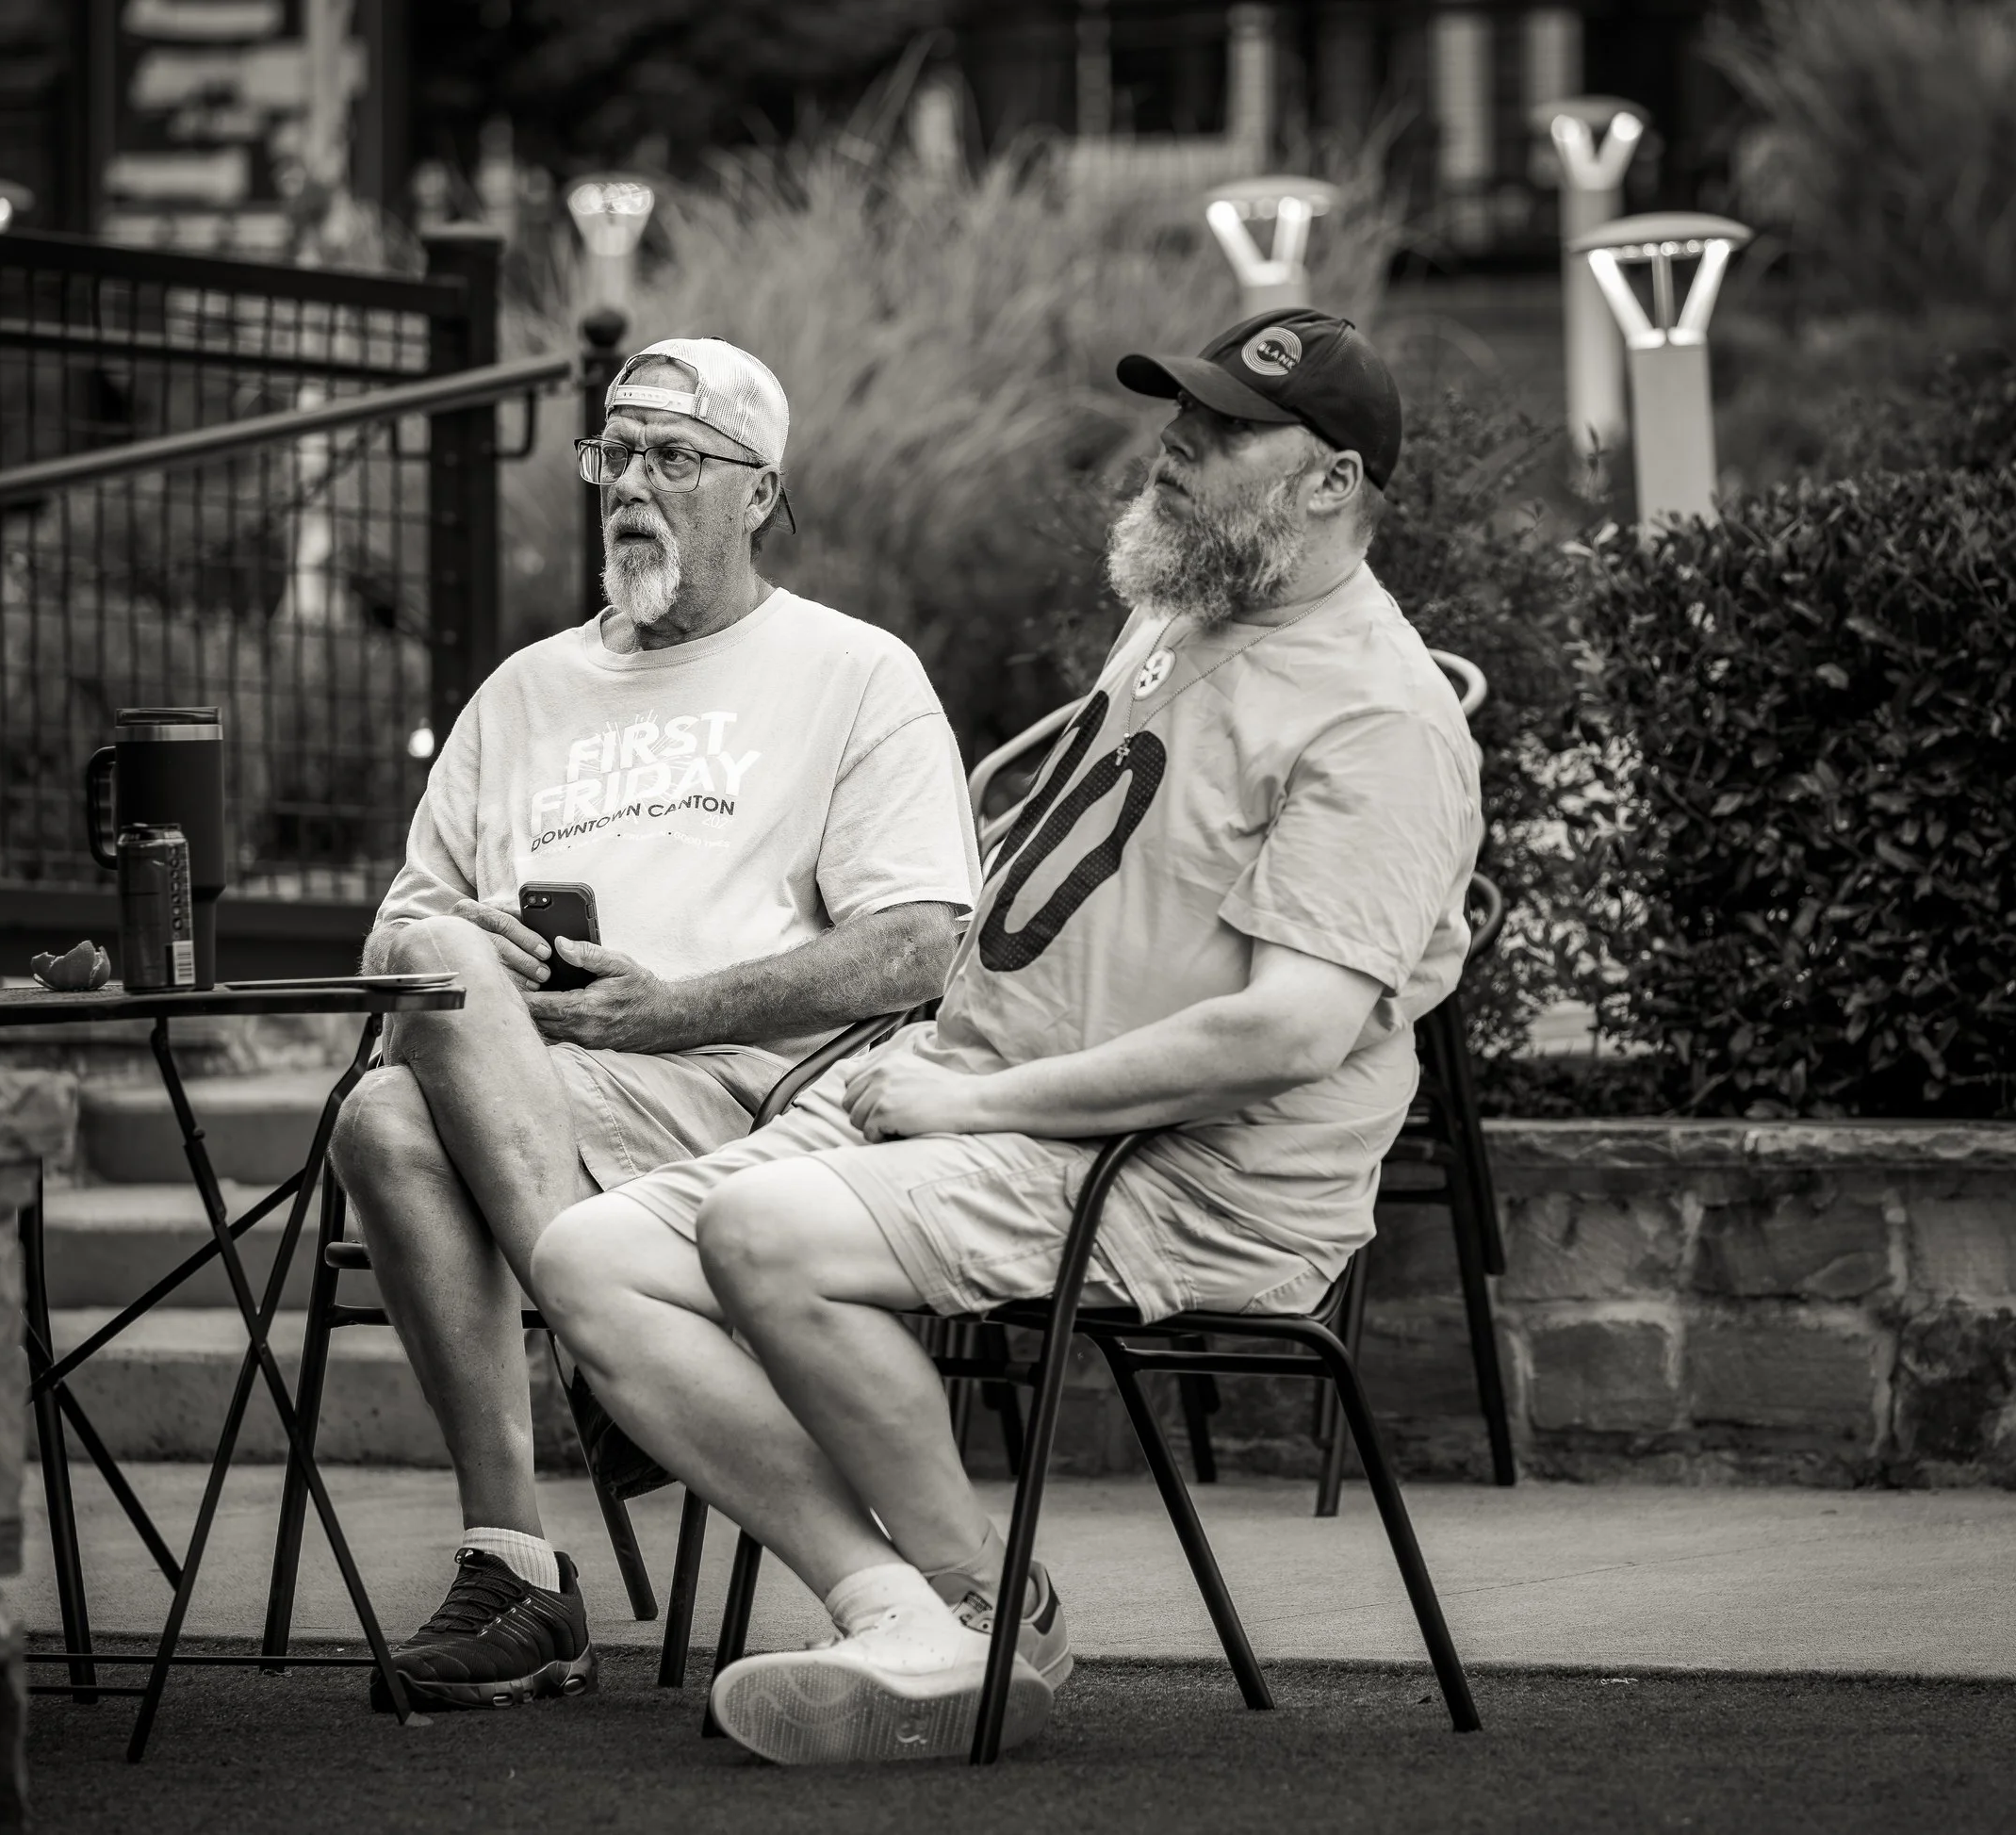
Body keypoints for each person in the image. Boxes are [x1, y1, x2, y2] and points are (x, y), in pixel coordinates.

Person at [533, 306, 1486, 1763]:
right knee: (585, 1258)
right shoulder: (1185, 611)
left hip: (1173, 1174)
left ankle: (983, 1605)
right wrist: (939, 1072)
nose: (1178, 449)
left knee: (767, 1236)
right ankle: (905, 1608)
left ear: (1332, 484)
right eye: (1182, 417)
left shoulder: (1381, 717)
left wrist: (982, 1104)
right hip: (982, 1102)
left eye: (1226, 435)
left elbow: (1289, 1035)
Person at [331, 336, 978, 1711]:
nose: (632, 484)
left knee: (398, 1103)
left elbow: (922, 939)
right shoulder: (523, 692)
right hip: (530, 1089)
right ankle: (530, 1532)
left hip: (742, 1098)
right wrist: (475, 950)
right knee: (399, 1068)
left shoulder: (852, 672)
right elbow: (398, 930)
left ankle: (548, 1491)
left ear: (758, 492)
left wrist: (667, 1012)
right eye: (613, 455)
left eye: (674, 459)